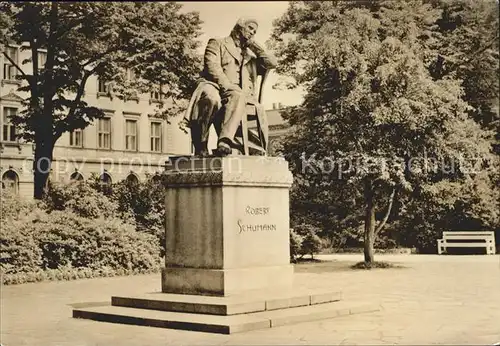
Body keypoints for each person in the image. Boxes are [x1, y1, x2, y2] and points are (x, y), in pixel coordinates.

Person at [184, 17, 277, 156]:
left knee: (238, 94)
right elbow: (212, 67)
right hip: (213, 84)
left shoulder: (249, 56)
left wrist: (254, 45)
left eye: (255, 31)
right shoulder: (217, 43)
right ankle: (200, 145)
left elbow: (272, 63)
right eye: (250, 28)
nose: (252, 32)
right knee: (212, 98)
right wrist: (227, 85)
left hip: (236, 95)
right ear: (240, 26)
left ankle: (224, 141)